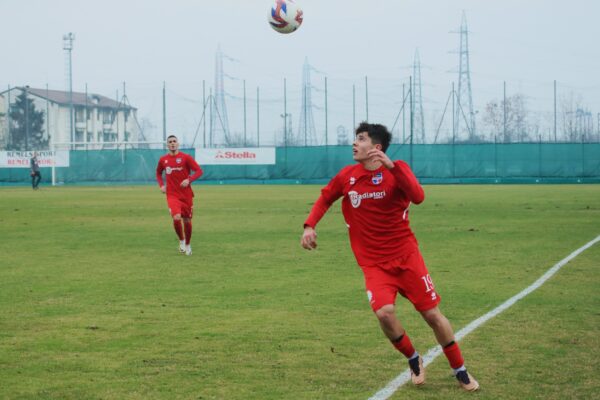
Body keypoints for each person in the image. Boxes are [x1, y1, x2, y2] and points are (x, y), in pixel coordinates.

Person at [300, 122, 479, 391]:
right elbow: (326, 198)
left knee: (432, 316)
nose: (354, 143)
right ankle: (413, 358)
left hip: (407, 259)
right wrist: (309, 226)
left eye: (360, 139)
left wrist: (392, 167)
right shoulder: (347, 176)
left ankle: (460, 369)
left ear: (376, 147)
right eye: (355, 138)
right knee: (384, 314)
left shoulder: (399, 169)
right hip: (374, 265)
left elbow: (418, 197)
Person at [156, 135, 203, 256]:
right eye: (170, 142)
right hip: (172, 194)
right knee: (176, 217)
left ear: (178, 144)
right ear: (167, 145)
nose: (172, 143)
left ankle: (188, 244)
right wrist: (161, 185)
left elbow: (199, 171)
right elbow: (158, 173)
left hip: (186, 194)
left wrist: (189, 180)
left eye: (174, 141)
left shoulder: (186, 157)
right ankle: (181, 240)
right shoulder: (163, 160)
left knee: (187, 220)